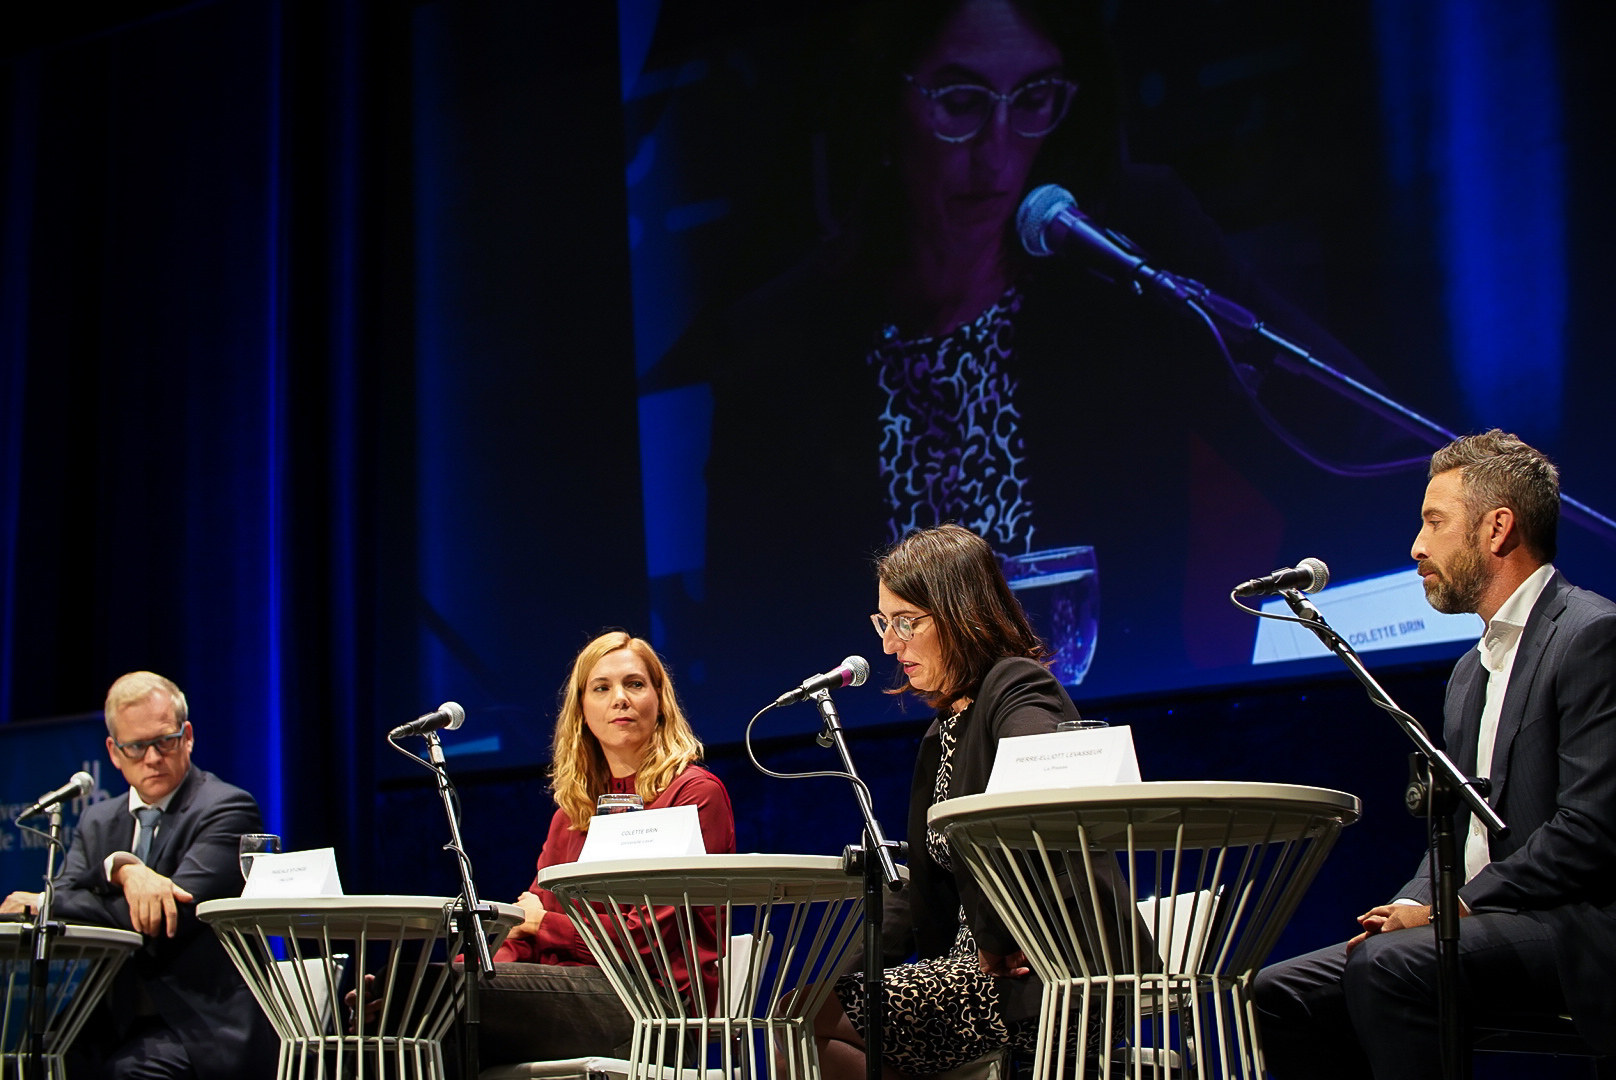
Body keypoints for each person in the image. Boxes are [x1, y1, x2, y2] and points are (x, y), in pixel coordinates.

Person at [652, 0, 1423, 718]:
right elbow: (749, 641)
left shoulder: (1121, 252)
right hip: (890, 777)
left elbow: (1352, 448)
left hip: (1115, 737)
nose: (997, 151)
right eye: (958, 102)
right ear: (883, 106)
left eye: (1032, 99)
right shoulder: (782, 337)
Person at [1252, 430, 1616, 1078]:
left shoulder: (1590, 637)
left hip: (1570, 929)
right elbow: (1453, 834)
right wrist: (1409, 907)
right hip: (1477, 921)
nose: (1416, 546)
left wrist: (1450, 910)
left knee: (1386, 968)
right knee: (1274, 997)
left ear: (1497, 528)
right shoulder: (1469, 675)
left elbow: (1589, 832)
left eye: (1433, 522)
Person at [810, 523, 1088, 1080]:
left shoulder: (1017, 687)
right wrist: (836, 973)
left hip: (1036, 971)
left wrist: (1004, 937)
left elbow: (1037, 807)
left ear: (963, 614)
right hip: (974, 971)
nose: (889, 644)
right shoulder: (946, 728)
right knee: (801, 1011)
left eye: (905, 622)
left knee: (817, 1018)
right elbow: (919, 884)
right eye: (883, 623)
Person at [476, 630, 736, 1065]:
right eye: (602, 688)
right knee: (415, 1001)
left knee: (451, 1004)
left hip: (653, 1008)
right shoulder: (572, 813)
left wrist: (545, 928)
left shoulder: (694, 794)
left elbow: (646, 940)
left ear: (659, 700)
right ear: (582, 710)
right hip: (568, 990)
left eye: (635, 684)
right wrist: (476, 964)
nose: (620, 698)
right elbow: (530, 922)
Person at [1, 671, 275, 1080]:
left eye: (164, 741)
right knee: (29, 1062)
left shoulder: (226, 808)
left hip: (199, 1022)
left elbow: (166, 918)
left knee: (128, 1074)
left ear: (187, 736)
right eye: (136, 747)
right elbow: (65, 898)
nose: (152, 758)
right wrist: (122, 870)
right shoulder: (97, 819)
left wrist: (59, 897)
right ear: (114, 752)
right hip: (110, 1016)